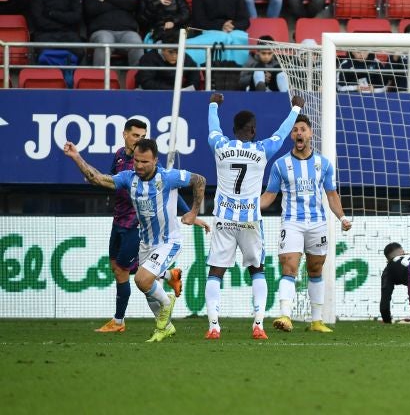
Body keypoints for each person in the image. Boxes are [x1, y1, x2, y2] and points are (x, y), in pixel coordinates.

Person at [63, 137, 207, 342]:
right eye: (137, 161)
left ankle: (168, 304)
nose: (139, 165)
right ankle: (165, 326)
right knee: (146, 287)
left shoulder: (168, 177)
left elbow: (199, 180)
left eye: (145, 162)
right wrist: (76, 157)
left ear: (155, 160)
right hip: (145, 243)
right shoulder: (128, 178)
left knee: (142, 279)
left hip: (169, 241)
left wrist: (193, 213)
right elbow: (98, 179)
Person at [204, 92, 304, 340]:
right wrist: (294, 109)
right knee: (257, 270)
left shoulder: (220, 145)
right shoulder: (261, 150)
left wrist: (214, 104)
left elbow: (213, 127)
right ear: (252, 130)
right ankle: (258, 324)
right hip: (250, 219)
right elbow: (281, 135)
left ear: (234, 129)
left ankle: (214, 327)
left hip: (223, 218)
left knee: (216, 271)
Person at [258, 113, 351, 333]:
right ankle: (285, 315)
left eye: (303, 129)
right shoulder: (280, 165)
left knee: (315, 269)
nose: (299, 133)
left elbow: (331, 194)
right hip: (291, 223)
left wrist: (343, 217)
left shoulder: (323, 164)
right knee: (289, 266)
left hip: (318, 223)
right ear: (292, 135)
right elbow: (269, 195)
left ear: (310, 134)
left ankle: (317, 321)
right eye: (295, 130)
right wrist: (249, 207)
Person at [93, 119, 165, 333]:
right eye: (136, 136)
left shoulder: (148, 164)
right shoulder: (119, 156)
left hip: (136, 224)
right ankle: (171, 276)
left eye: (143, 136)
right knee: (117, 268)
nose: (139, 140)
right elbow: (111, 180)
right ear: (125, 135)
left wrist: (190, 212)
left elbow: (169, 189)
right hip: (118, 221)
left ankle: (119, 321)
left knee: (124, 270)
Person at [187, 0, 250, 65]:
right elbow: (198, 22)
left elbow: (245, 21)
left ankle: (235, 73)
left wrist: (231, 26)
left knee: (237, 36)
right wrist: (221, 26)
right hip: (209, 33)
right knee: (223, 37)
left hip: (233, 31)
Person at [83, 0, 144, 66]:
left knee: (136, 43)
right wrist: (120, 3)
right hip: (101, 31)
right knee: (104, 43)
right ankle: (99, 78)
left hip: (127, 32)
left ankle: (138, 78)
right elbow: (91, 9)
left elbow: (133, 2)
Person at [135, 36, 201, 90]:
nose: (175, 56)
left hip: (174, 94)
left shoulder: (183, 56)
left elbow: (194, 72)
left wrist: (186, 88)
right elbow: (146, 83)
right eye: (171, 52)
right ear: (162, 49)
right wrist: (173, 90)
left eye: (178, 52)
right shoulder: (148, 58)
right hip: (149, 94)